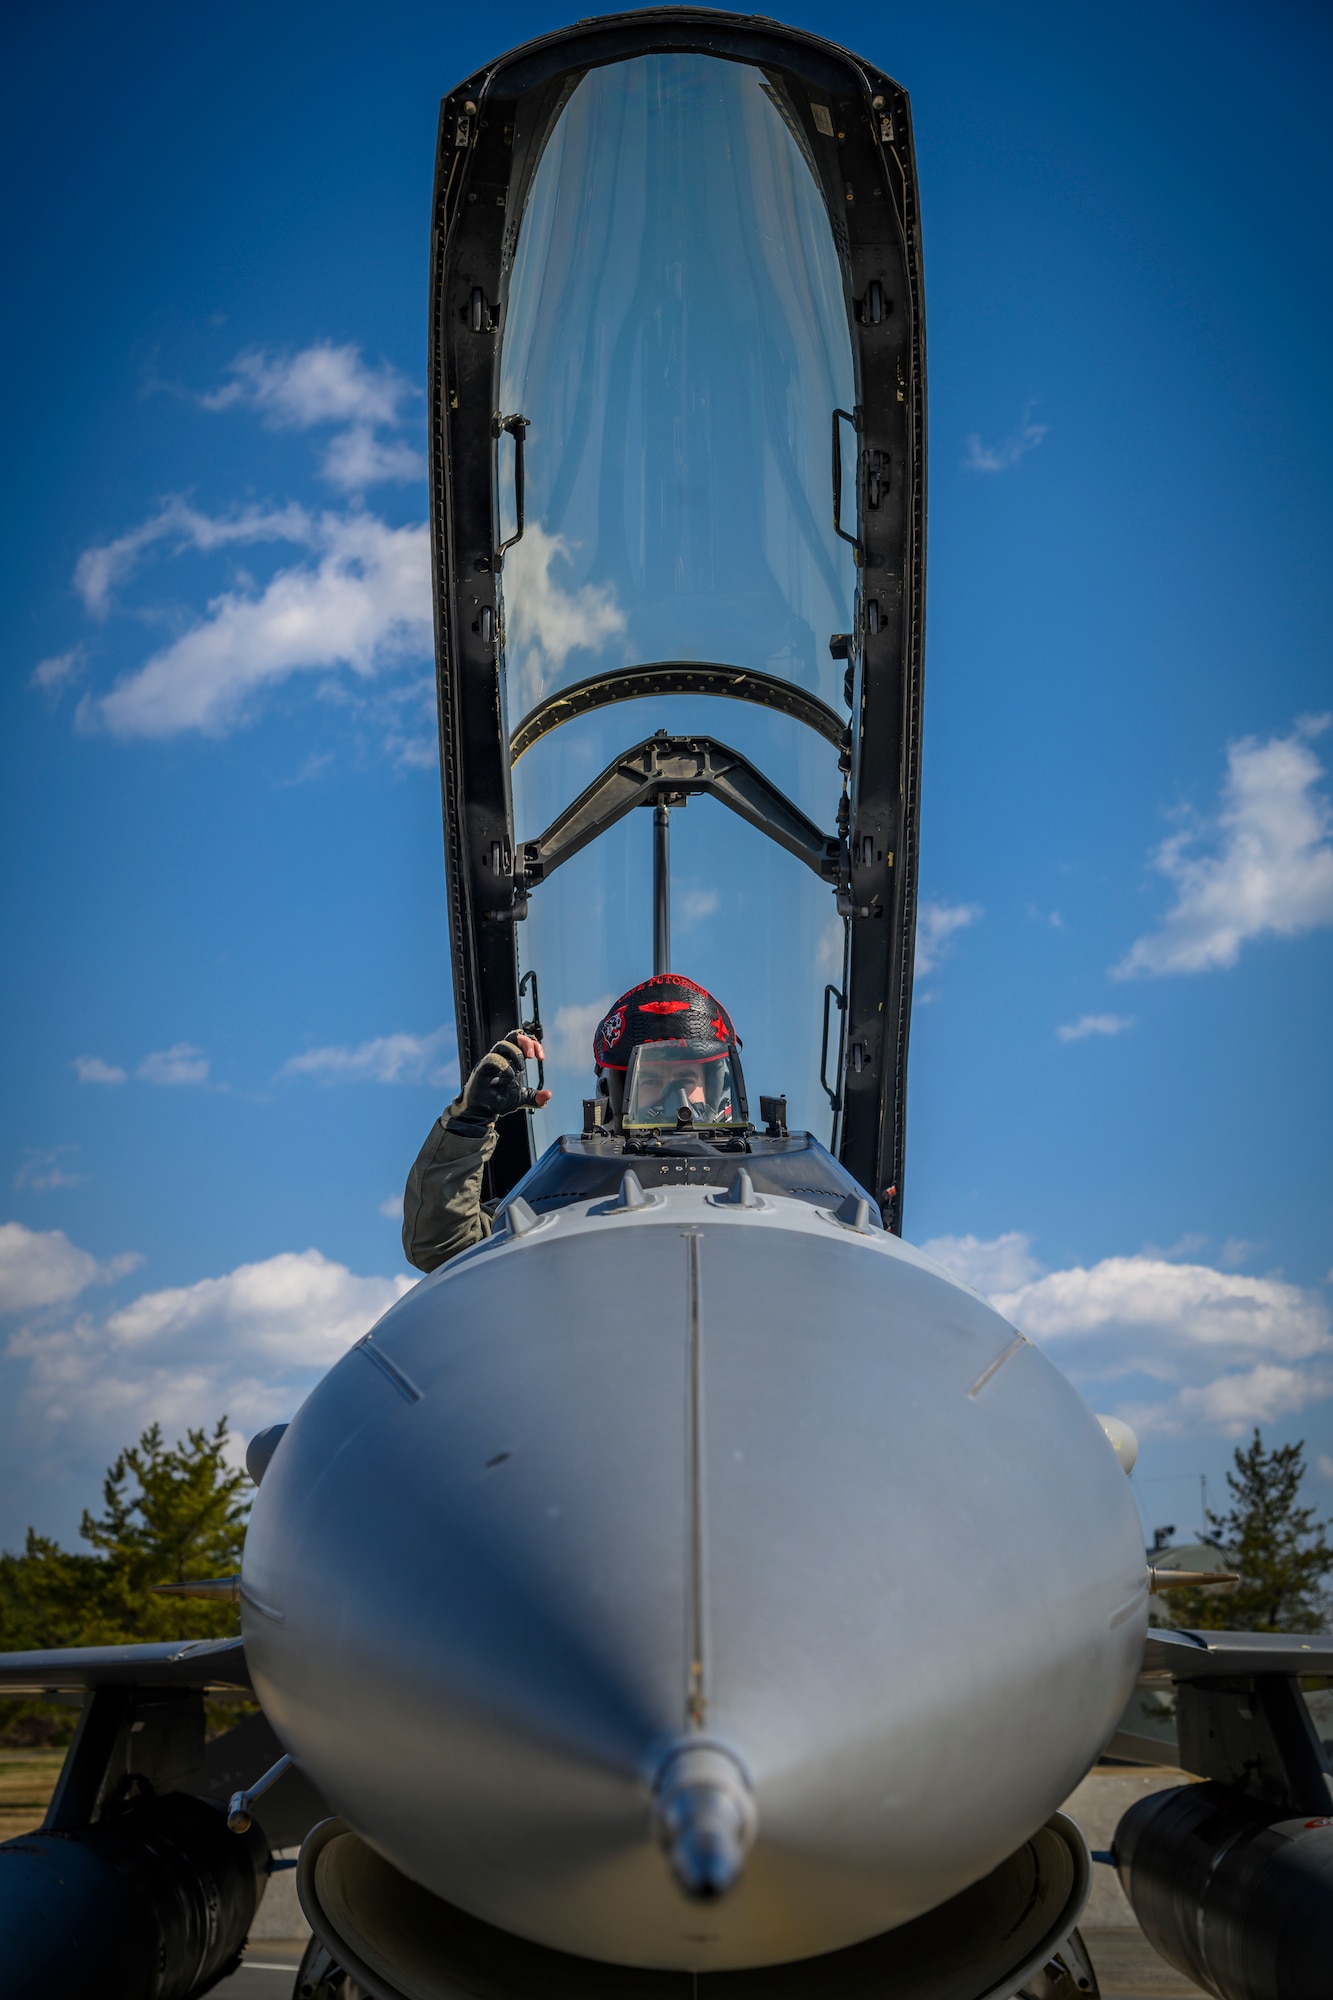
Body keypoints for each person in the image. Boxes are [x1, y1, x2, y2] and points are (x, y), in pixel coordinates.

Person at [402, 975, 739, 1273]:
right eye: (650, 1078)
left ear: (716, 1086)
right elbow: (440, 1249)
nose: (674, 1096)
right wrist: (470, 1121)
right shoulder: (570, 1187)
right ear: (614, 1091)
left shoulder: (770, 1171)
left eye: (685, 1077)